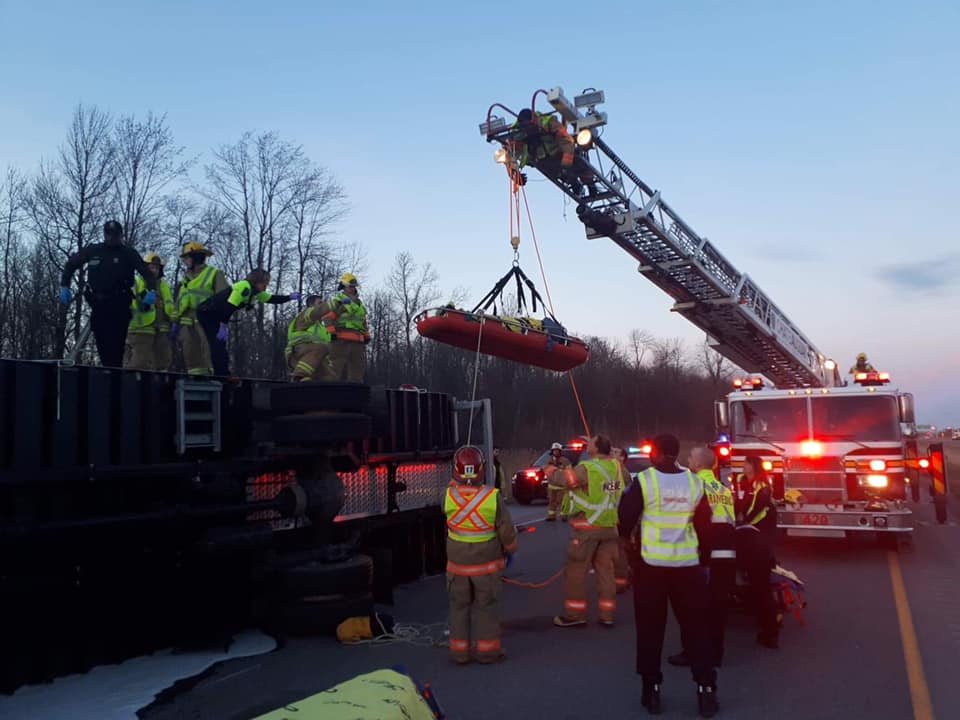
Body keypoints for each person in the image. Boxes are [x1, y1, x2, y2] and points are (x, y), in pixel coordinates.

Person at [618, 433, 719, 718]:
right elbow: (705, 527)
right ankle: (706, 689)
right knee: (696, 630)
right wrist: (703, 559)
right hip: (687, 567)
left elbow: (625, 516)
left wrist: (628, 545)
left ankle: (651, 690)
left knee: (650, 631)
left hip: (652, 568)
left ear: (659, 453)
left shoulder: (645, 480)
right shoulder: (694, 482)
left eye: (653, 451)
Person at [444, 445, 517, 664]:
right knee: (486, 607)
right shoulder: (492, 497)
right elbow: (506, 530)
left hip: (457, 566)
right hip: (486, 565)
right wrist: (511, 548)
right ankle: (487, 652)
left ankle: (459, 653)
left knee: (458, 608)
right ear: (482, 469)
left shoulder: (447, 495)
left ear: (456, 470)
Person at [668, 446, 737, 669]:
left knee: (692, 608)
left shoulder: (694, 485)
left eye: (690, 457)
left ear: (697, 464)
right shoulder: (722, 488)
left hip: (702, 556)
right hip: (726, 555)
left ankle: (692, 653)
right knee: (718, 608)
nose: (688, 460)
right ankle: (716, 654)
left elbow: (694, 522)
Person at [59, 220, 157, 368]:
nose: (111, 238)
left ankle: (113, 375)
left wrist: (152, 290)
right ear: (105, 234)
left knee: (116, 347)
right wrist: (64, 285)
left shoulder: (128, 253)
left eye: (115, 235)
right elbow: (72, 264)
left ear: (120, 235)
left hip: (119, 304)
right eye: (109, 234)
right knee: (102, 343)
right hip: (98, 303)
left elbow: (147, 273)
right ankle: (107, 372)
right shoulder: (94, 250)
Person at [553, 434, 625, 628]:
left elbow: (565, 479)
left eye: (590, 443)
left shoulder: (588, 468)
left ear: (596, 448)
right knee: (606, 573)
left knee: (576, 572)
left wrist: (550, 470)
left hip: (588, 529)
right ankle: (607, 615)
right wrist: (599, 444)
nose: (587, 444)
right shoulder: (615, 467)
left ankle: (575, 615)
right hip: (609, 528)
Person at [196, 268, 300, 377]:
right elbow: (228, 307)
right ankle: (221, 374)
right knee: (217, 343)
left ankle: (223, 373)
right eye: (264, 284)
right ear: (256, 281)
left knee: (220, 344)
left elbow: (272, 298)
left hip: (217, 315)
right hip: (207, 313)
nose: (265, 287)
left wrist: (289, 297)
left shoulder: (255, 293)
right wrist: (223, 326)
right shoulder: (244, 287)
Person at [734, 455, 779, 650]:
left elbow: (755, 510)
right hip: (750, 540)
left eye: (746, 464)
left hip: (758, 542)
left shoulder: (762, 487)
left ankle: (770, 632)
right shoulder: (743, 482)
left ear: (753, 466)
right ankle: (764, 623)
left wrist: (742, 521)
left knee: (761, 587)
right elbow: (738, 502)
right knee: (756, 585)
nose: (743, 466)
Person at [174, 242, 229, 376]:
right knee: (191, 355)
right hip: (187, 324)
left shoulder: (214, 274)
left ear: (196, 257)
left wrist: (223, 323)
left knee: (209, 352)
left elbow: (225, 300)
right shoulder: (185, 279)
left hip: (207, 322)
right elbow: (179, 302)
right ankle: (196, 379)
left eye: (187, 258)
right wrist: (174, 321)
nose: (185, 262)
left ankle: (213, 379)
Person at [125, 253, 175, 371]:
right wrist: (145, 303)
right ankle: (133, 381)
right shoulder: (137, 282)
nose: (154, 271)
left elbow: (170, 305)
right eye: (151, 267)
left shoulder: (164, 286)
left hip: (161, 328)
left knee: (164, 360)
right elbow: (130, 303)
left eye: (157, 268)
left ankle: (159, 381)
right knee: (140, 361)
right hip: (141, 328)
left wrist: (173, 320)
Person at [322, 273, 369, 382]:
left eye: (354, 286)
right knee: (334, 369)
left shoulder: (359, 304)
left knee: (358, 371)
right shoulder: (338, 300)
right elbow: (327, 317)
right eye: (350, 286)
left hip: (357, 341)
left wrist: (366, 335)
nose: (353, 288)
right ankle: (328, 390)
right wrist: (331, 333)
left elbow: (363, 321)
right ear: (343, 286)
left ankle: (355, 392)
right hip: (340, 340)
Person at [285, 294, 334, 382]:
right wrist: (336, 302)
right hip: (297, 352)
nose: (322, 305)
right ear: (311, 305)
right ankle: (299, 376)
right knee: (322, 348)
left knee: (330, 376)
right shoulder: (305, 315)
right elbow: (318, 311)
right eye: (320, 303)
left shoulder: (321, 327)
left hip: (311, 357)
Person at [510, 108, 575, 173]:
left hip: (558, 155)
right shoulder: (517, 132)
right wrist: (515, 171)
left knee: (576, 163)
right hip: (540, 161)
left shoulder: (548, 123)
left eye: (528, 125)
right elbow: (512, 152)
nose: (528, 128)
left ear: (534, 120)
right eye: (525, 126)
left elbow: (565, 139)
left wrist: (566, 160)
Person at [543, 442, 572, 521]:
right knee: (551, 501)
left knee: (562, 501)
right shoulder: (549, 461)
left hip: (562, 486)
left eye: (557, 450)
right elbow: (547, 471)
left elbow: (570, 472)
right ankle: (551, 516)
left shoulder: (565, 461)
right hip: (552, 486)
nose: (556, 452)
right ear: (552, 451)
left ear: (560, 451)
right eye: (554, 450)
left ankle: (564, 516)